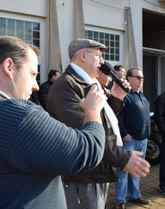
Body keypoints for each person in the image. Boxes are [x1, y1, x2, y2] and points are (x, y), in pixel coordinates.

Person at [0, 36, 107, 208]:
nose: (36, 86)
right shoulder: (20, 117)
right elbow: (89, 151)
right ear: (9, 67)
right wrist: (92, 109)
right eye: (32, 74)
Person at [46, 38, 150, 209]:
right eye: (99, 56)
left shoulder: (89, 83)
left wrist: (116, 99)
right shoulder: (67, 86)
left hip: (97, 168)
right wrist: (123, 158)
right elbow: (86, 133)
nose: (102, 62)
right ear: (83, 55)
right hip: (83, 176)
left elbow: (100, 120)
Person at [115, 67, 151, 209]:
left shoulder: (142, 96)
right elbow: (118, 117)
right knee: (123, 171)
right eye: (137, 77)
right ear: (129, 78)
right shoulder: (124, 95)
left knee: (136, 170)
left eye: (142, 77)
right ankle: (120, 200)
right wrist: (125, 134)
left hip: (142, 140)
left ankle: (135, 196)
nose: (140, 80)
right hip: (129, 141)